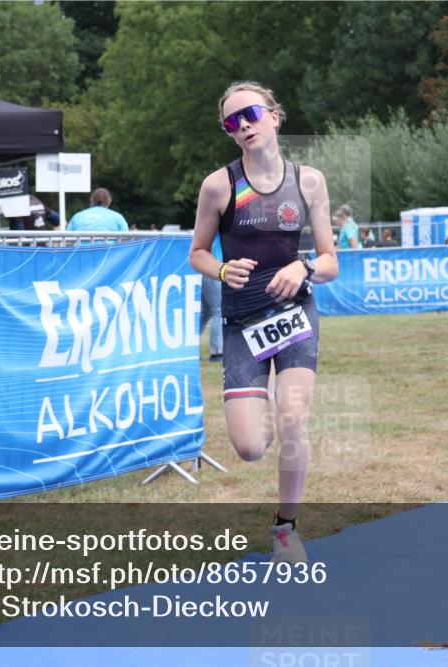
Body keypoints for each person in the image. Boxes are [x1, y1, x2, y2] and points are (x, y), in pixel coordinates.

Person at [189, 81, 338, 563]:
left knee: (295, 418)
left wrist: (304, 266)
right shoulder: (219, 185)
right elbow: (196, 253)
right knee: (252, 447)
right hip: (242, 323)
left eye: (250, 114)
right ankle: (266, 411)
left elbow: (331, 261)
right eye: (232, 123)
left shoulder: (308, 180)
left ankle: (285, 527)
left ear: (274, 115)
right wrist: (221, 269)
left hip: (296, 314)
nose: (243, 126)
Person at [200, 234, 224, 362]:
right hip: (214, 268)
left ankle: (192, 347)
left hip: (207, 269)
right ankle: (216, 351)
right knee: (218, 311)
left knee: (206, 313)